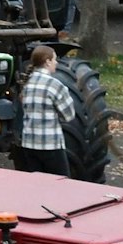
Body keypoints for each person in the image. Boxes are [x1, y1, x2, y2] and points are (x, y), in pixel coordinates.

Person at [16, 46, 77, 175]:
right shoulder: (54, 84)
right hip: (50, 145)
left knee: (37, 186)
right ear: (48, 61)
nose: (57, 62)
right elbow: (69, 115)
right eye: (54, 59)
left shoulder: (27, 84)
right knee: (60, 186)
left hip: (29, 144)